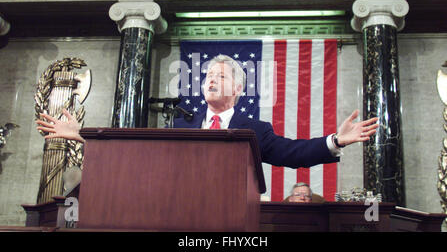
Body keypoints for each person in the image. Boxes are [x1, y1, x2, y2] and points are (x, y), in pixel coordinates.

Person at [36, 54, 379, 170]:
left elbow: (293, 153)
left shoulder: (255, 129)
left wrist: (336, 140)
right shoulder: (179, 124)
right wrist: (80, 135)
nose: (211, 80)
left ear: (239, 89)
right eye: (207, 76)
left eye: (221, 76)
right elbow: (136, 147)